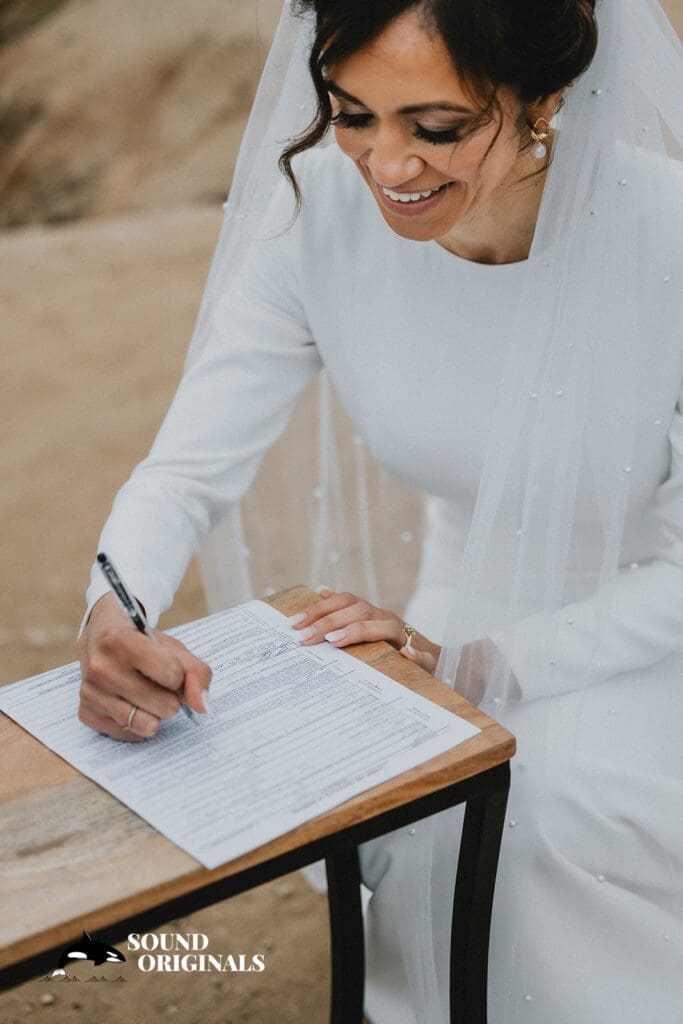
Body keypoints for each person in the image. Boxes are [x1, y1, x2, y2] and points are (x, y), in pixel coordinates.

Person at [76, 1, 683, 1021]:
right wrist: (113, 608)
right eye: (351, 113)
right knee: (413, 804)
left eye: (435, 128)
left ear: (546, 99)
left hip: (645, 635)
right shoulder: (316, 211)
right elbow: (187, 468)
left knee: (539, 815)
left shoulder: (666, 237)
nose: (385, 164)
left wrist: (472, 661)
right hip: (450, 608)